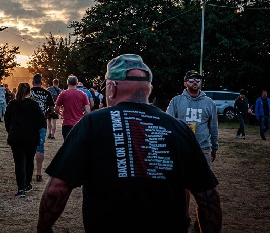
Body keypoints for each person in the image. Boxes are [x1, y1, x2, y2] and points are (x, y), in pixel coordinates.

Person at [37, 54, 222, 233]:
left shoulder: (93, 124)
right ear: (148, 89)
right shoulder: (179, 129)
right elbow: (208, 198)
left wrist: (43, 229)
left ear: (112, 88)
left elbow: (57, 189)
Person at [166, 69, 219, 228]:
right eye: (191, 79)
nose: (195, 82)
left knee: (204, 188)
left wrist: (214, 147)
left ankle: (201, 220)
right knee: (182, 188)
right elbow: (168, 123)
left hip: (203, 150)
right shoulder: (176, 101)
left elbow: (213, 127)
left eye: (198, 80)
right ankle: (184, 217)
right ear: (185, 83)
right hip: (181, 150)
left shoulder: (209, 103)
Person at [4, 82, 46, 198]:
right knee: (29, 161)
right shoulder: (34, 105)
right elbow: (42, 121)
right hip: (31, 137)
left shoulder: (12, 104)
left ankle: (21, 188)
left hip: (16, 137)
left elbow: (7, 121)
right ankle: (27, 184)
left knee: (19, 163)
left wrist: (10, 131)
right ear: (29, 92)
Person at [30, 74, 55, 182]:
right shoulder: (47, 93)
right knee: (40, 147)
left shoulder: (29, 91)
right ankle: (39, 173)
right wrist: (45, 114)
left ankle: (28, 171)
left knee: (28, 147)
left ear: (33, 82)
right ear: (41, 82)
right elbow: (52, 109)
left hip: (29, 123)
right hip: (41, 123)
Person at [54, 75, 90, 140]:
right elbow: (87, 111)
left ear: (68, 83)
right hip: (78, 123)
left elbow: (56, 109)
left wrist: (61, 113)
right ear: (76, 83)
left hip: (67, 124)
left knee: (68, 145)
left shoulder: (63, 94)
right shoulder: (83, 94)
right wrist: (82, 116)